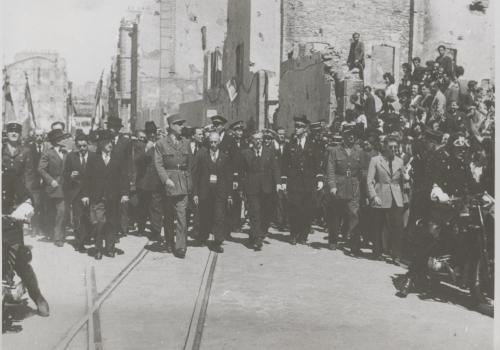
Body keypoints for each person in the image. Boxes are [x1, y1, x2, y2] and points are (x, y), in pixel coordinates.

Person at [2, 122, 50, 317]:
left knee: (19, 259)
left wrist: (27, 206)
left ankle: (37, 296)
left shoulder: (11, 174)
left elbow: (25, 187)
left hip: (9, 217)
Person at [154, 114, 192, 258]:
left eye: (182, 124)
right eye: (179, 124)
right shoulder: (161, 143)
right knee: (169, 216)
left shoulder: (186, 142)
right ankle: (169, 242)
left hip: (182, 183)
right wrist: (165, 179)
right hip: (168, 184)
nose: (182, 127)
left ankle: (181, 246)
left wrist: (190, 184)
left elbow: (189, 165)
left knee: (182, 216)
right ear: (171, 126)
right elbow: (158, 164)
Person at [282, 115, 323, 245]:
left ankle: (303, 235)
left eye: (299, 127)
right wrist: (283, 180)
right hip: (294, 182)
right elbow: (284, 163)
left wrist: (320, 179)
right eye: (296, 126)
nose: (296, 129)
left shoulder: (313, 144)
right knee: (294, 208)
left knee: (307, 209)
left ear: (305, 129)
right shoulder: (290, 144)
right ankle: (294, 234)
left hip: (308, 182)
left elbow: (318, 163)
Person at [367, 136, 406, 262]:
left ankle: (396, 254)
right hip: (380, 195)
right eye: (391, 147)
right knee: (377, 225)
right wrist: (373, 196)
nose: (394, 149)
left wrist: (404, 198)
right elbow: (369, 181)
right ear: (384, 147)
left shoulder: (400, 161)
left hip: (396, 197)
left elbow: (403, 182)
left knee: (397, 226)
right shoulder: (375, 160)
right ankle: (377, 251)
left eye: (396, 147)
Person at [192, 132, 233, 253]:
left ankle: (217, 241)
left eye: (215, 142)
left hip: (220, 192)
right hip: (204, 191)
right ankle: (203, 236)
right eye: (211, 142)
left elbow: (228, 177)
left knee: (219, 216)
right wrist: (195, 193)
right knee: (204, 215)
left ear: (219, 142)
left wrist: (229, 194)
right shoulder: (201, 155)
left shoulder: (224, 157)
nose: (213, 145)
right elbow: (195, 175)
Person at [240, 131, 281, 251]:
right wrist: (242, 188)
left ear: (262, 140)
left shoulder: (270, 152)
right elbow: (243, 172)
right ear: (252, 141)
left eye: (260, 139)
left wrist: (278, 183)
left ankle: (258, 233)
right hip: (252, 187)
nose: (258, 141)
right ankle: (258, 238)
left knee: (266, 212)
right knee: (255, 212)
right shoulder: (246, 153)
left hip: (267, 187)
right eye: (255, 139)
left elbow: (276, 168)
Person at [325, 127, 362, 251]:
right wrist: (332, 186)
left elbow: (362, 170)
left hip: (353, 187)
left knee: (354, 215)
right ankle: (333, 240)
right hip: (339, 186)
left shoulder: (359, 151)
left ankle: (354, 243)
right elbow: (330, 170)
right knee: (335, 215)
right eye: (349, 134)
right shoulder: (335, 151)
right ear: (344, 136)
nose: (351, 137)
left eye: (353, 135)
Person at [63, 133, 95, 253]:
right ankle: (79, 243)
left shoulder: (94, 157)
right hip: (76, 193)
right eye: (79, 146)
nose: (82, 149)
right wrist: (70, 175)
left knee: (89, 217)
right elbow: (65, 173)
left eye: (84, 146)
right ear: (76, 146)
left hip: (91, 192)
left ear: (88, 145)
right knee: (78, 218)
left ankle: (87, 237)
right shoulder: (71, 156)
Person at [38, 129, 70, 247]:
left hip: (66, 186)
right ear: (55, 141)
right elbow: (41, 169)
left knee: (63, 211)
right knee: (59, 211)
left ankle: (59, 234)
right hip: (54, 187)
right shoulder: (48, 153)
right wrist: (50, 181)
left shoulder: (66, 153)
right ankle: (57, 236)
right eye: (61, 139)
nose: (64, 140)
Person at [134, 122, 164, 243]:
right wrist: (146, 148)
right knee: (143, 206)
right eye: (149, 133)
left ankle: (156, 231)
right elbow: (136, 160)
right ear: (146, 134)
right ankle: (141, 227)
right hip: (144, 182)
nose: (152, 135)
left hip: (156, 182)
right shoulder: (140, 145)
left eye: (153, 133)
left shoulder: (160, 144)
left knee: (156, 207)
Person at [106, 116, 133, 239]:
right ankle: (109, 232)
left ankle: (117, 231)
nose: (111, 129)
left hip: (121, 178)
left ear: (118, 129)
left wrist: (129, 178)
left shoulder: (125, 141)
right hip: (107, 178)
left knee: (118, 207)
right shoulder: (104, 139)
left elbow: (128, 162)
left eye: (113, 127)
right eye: (109, 127)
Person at [25, 129, 47, 237]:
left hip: (46, 181)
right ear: (34, 137)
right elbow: (28, 168)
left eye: (41, 135)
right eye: (37, 135)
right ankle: (34, 227)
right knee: (35, 205)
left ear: (44, 137)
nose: (39, 137)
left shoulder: (46, 148)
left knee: (43, 205)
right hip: (34, 182)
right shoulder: (29, 149)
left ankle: (42, 227)